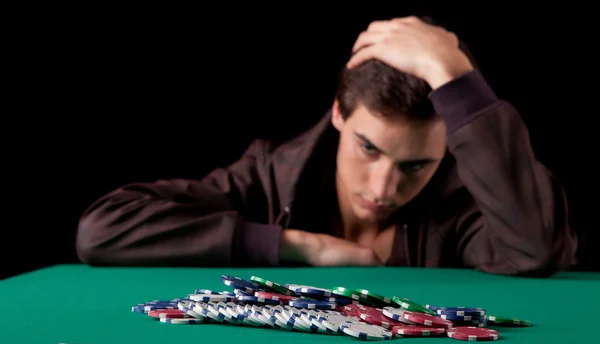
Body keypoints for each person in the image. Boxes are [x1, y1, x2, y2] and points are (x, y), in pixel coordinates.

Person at [75, 16, 578, 276]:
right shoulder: (271, 174)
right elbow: (103, 229)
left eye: (416, 165)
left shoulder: (462, 199)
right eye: (368, 148)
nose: (383, 187)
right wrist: (301, 247)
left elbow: (537, 252)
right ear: (338, 112)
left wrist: (454, 76)